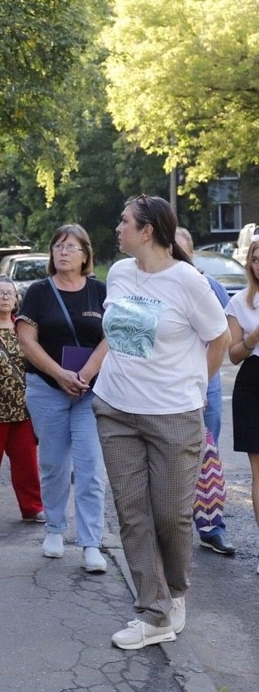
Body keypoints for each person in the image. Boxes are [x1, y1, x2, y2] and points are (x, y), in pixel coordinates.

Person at [93, 195, 229, 650]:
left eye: (124, 221)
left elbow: (220, 340)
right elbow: (121, 339)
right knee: (133, 514)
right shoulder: (120, 273)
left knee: (170, 515)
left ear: (147, 230)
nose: (118, 228)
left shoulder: (189, 282)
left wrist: (193, 388)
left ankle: (175, 593)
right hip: (115, 409)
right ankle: (153, 613)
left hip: (173, 416)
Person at [16, 224, 109, 575]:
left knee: (90, 469)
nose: (63, 252)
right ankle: (55, 529)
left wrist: (84, 375)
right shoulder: (39, 292)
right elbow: (27, 340)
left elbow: (112, 336)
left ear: (85, 254)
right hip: (46, 387)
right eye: (58, 246)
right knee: (54, 463)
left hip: (90, 391)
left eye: (71, 246)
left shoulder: (100, 291)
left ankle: (90, 543)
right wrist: (60, 374)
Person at [175, 227, 235, 555]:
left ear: (193, 254)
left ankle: (212, 527)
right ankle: (174, 529)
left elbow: (223, 338)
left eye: (184, 253)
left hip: (206, 386)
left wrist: (202, 382)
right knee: (170, 460)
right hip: (169, 388)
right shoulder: (160, 285)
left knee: (206, 457)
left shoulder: (212, 288)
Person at [0, 275, 45, 521]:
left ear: (16, 299)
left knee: (27, 463)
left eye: (10, 293)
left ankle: (32, 508)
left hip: (23, 409)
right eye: (0, 292)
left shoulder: (25, 330)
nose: (5, 296)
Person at [224, 235, 259, 575]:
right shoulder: (239, 303)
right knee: (258, 473)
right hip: (253, 382)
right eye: (257, 259)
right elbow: (233, 355)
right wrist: (255, 335)